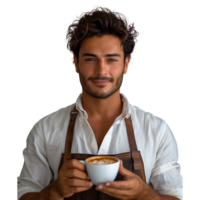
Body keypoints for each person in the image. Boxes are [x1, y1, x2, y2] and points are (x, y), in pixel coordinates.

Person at [15, 3, 185, 200]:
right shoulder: (44, 129)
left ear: (127, 64)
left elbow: (175, 195)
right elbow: (23, 195)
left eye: (111, 59)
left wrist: (145, 194)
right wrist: (54, 191)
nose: (101, 71)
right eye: (90, 59)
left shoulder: (158, 129)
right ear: (74, 63)